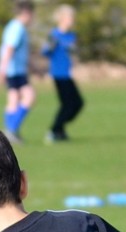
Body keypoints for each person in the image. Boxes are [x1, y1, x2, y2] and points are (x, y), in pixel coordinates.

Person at [42, 4, 84, 143]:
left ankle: (59, 130)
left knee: (77, 104)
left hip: (68, 74)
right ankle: (54, 130)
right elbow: (45, 52)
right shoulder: (54, 34)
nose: (72, 20)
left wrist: (75, 52)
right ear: (62, 18)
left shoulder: (72, 36)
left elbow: (75, 54)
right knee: (68, 104)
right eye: (70, 17)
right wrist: (50, 46)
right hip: (59, 74)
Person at [0, 1, 36, 145]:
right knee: (29, 96)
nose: (33, 17)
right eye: (32, 14)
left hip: (15, 70)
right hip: (14, 70)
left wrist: (33, 67)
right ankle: (10, 130)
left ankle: (11, 132)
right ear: (26, 13)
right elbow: (9, 49)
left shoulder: (14, 26)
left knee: (13, 99)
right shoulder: (17, 28)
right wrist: (2, 70)